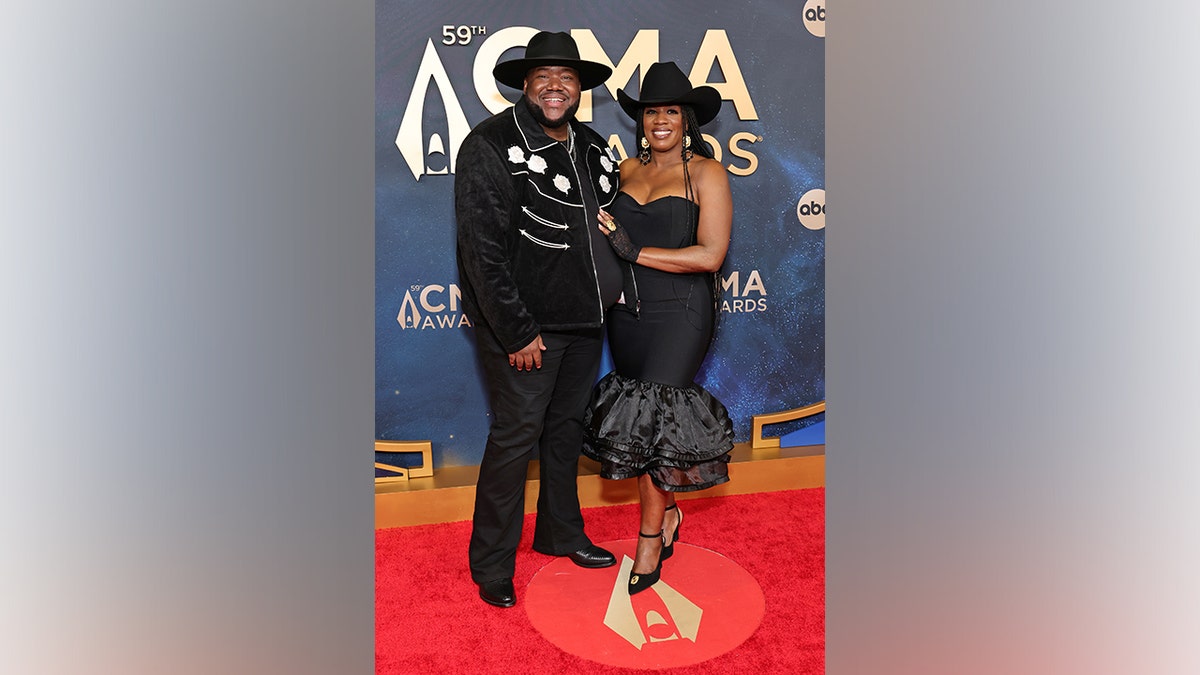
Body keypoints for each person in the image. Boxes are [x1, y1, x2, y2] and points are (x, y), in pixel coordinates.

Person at [455, 31, 633, 608]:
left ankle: (560, 532)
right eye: (545, 77)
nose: (557, 87)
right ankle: (491, 564)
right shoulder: (490, 144)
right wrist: (516, 328)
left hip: (585, 324)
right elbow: (480, 252)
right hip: (526, 329)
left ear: (581, 88)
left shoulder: (591, 145)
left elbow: (604, 225)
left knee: (564, 436)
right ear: (525, 84)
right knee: (515, 441)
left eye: (568, 78)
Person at [583, 61, 735, 595]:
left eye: (672, 110)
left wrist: (636, 250)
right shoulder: (623, 171)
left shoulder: (708, 174)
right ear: (640, 119)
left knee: (656, 413)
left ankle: (649, 539)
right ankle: (668, 516)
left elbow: (711, 255)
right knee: (646, 425)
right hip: (628, 315)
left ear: (688, 119)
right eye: (652, 111)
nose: (661, 119)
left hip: (682, 314)